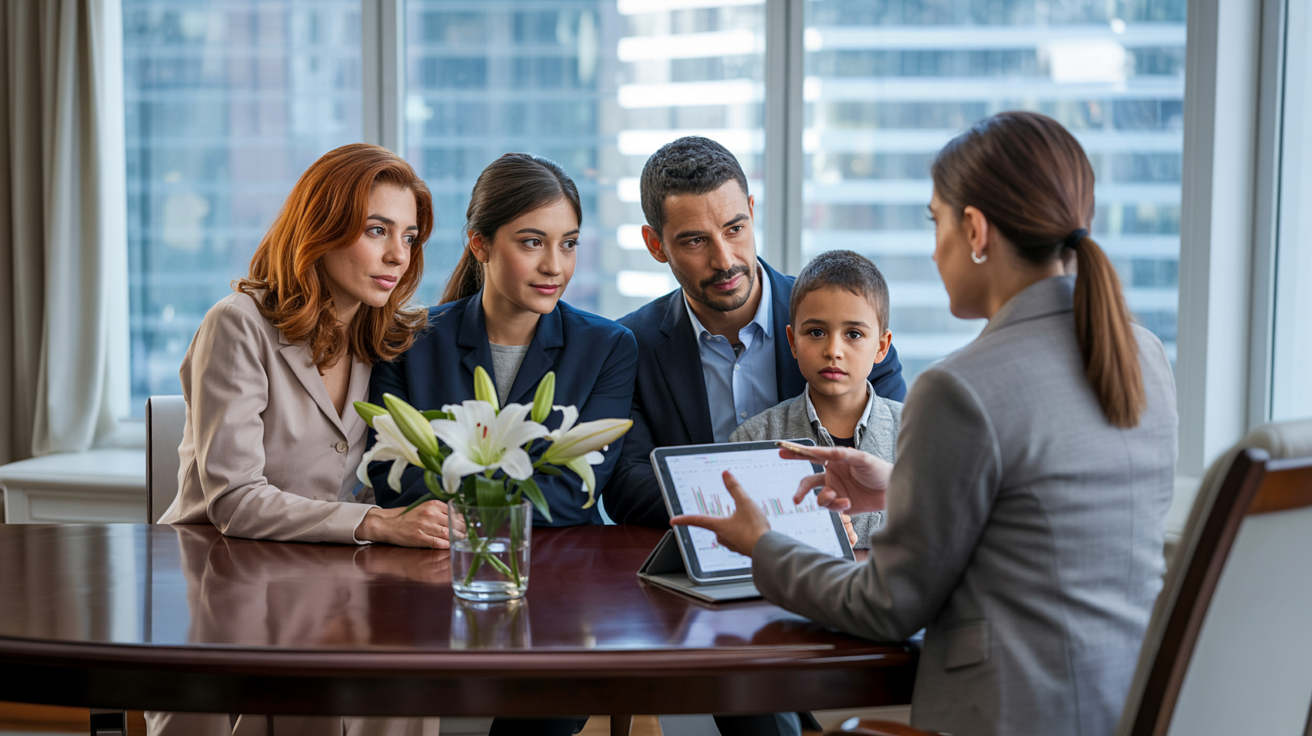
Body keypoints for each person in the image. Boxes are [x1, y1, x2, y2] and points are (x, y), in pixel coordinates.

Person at [672, 112, 1179, 736]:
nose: (934, 247)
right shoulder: (1143, 354)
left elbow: (884, 606)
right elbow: (1043, 527)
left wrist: (763, 545)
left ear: (974, 230)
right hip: (1123, 706)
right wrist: (902, 484)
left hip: (1002, 715)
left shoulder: (961, 388)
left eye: (934, 222)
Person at [152, 144, 445, 733]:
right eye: (376, 230)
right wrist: (377, 524)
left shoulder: (385, 334)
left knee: (412, 675)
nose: (396, 254)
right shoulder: (237, 323)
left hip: (327, 574)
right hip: (223, 579)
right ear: (322, 229)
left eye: (409, 237)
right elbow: (234, 498)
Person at [603, 136, 907, 533]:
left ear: (750, 211)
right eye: (695, 240)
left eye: (734, 229)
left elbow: (890, 457)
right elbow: (627, 487)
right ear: (656, 245)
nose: (724, 260)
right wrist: (773, 508)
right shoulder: (630, 345)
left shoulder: (846, 327)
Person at [369, 152, 638, 530]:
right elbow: (394, 483)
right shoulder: (408, 341)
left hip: (565, 570)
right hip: (440, 564)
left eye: (569, 244)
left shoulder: (608, 348)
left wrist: (463, 504)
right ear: (480, 245)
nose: (554, 266)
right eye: (532, 242)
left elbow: (573, 494)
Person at [729, 250, 901, 549]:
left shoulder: (918, 434)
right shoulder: (752, 439)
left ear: (881, 347)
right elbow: (740, 540)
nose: (833, 350)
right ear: (793, 341)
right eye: (816, 332)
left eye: (854, 334)